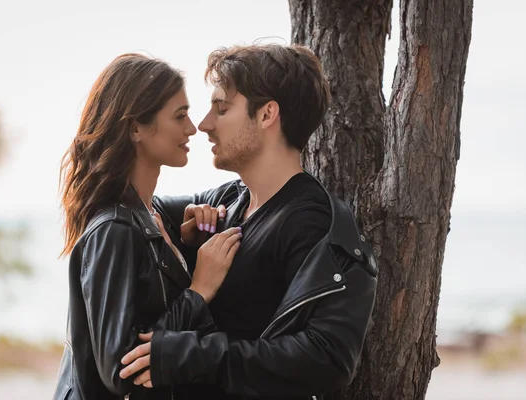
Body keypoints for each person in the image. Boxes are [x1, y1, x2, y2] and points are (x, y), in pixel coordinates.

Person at [119, 44, 379, 400]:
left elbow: (327, 359)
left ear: (268, 114)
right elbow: (145, 209)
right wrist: (182, 241)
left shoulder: (312, 223)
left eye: (221, 109)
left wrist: (194, 356)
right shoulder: (230, 199)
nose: (204, 126)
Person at [53, 53, 242, 400]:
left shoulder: (154, 215)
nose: (192, 127)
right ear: (136, 128)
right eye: (179, 116)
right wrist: (198, 292)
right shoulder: (114, 230)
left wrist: (187, 244)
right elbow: (119, 370)